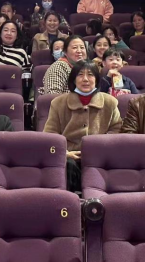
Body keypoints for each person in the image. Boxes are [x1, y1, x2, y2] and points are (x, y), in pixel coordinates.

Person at [44, 60, 122, 192]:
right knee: (68, 166)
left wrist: (100, 149)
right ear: (73, 80)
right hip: (69, 158)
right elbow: (50, 136)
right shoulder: (58, 103)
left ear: (97, 79)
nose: (85, 79)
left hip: (100, 157)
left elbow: (117, 130)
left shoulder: (110, 102)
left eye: (90, 75)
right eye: (80, 75)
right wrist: (65, 153)